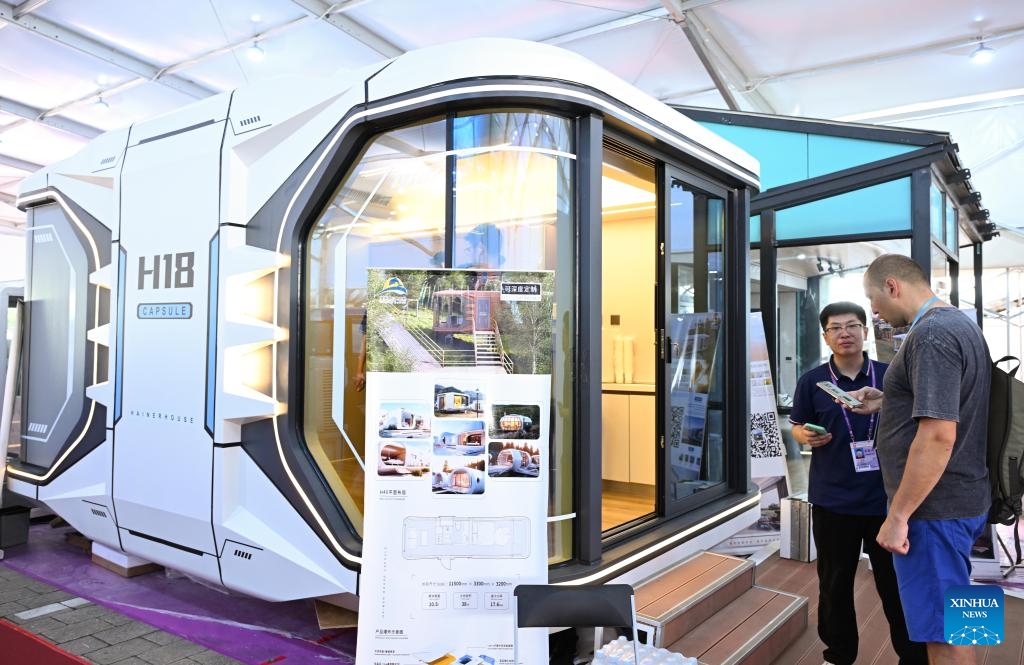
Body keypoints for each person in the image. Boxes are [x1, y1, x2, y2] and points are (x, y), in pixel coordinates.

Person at [849, 254, 990, 665]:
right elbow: (947, 406)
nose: (873, 311)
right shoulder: (960, 323)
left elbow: (939, 434)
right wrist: (886, 400)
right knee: (962, 622)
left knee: (942, 635)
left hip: (932, 512)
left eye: (873, 300)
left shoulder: (931, 335)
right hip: (960, 498)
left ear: (892, 286)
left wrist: (898, 516)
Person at [789, 301, 926, 665]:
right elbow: (797, 426)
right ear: (825, 336)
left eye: (852, 326)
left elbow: (918, 423)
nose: (844, 333)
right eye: (835, 328)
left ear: (865, 331)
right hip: (833, 500)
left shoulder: (892, 375)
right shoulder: (813, 382)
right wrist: (804, 436)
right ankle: (838, 655)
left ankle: (911, 655)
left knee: (896, 585)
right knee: (834, 585)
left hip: (887, 501)